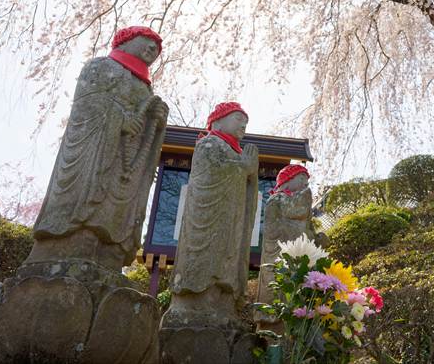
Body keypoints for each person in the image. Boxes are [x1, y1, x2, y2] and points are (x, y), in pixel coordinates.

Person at [28, 26, 168, 271]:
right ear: (126, 41)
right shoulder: (102, 67)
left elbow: (145, 125)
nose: (152, 49)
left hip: (126, 160)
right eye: (146, 42)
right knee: (87, 204)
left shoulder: (145, 88)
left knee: (116, 209)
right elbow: (87, 104)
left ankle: (111, 253)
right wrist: (120, 118)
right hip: (95, 153)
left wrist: (155, 120)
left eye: (156, 49)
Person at [164, 102, 260, 328]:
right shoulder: (209, 144)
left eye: (245, 122)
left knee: (228, 258)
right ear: (218, 121)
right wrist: (242, 168)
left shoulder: (236, 151)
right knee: (206, 258)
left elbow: (247, 189)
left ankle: (223, 303)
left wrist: (251, 175)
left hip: (231, 221)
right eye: (238, 118)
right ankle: (195, 306)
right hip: (209, 217)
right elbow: (209, 176)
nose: (243, 124)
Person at [255, 164, 316, 329]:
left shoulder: (299, 201)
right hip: (278, 256)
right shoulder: (277, 199)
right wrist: (305, 199)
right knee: (277, 293)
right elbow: (296, 212)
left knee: (298, 295)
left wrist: (315, 238)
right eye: (302, 179)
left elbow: (307, 229)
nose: (305, 184)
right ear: (287, 181)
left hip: (298, 258)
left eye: (307, 181)